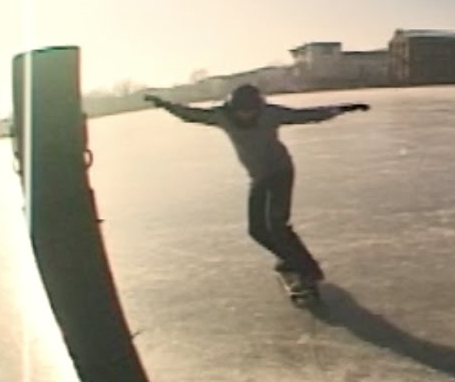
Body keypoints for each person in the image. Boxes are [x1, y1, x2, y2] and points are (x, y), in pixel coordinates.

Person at [144, 84, 369, 291]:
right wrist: (164, 104)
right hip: (259, 177)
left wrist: (343, 108)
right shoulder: (222, 116)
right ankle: (288, 259)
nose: (247, 115)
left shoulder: (270, 114)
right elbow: (190, 115)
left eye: (251, 110)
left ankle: (308, 270)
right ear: (233, 108)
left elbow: (306, 115)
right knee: (257, 230)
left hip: (281, 172)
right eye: (242, 111)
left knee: (278, 225)